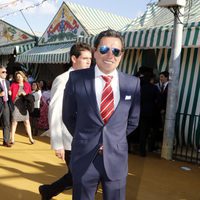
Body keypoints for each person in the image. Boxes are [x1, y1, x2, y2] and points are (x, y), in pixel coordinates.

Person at [63, 29, 140, 200]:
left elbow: (133, 121)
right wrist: (87, 138)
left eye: (116, 51)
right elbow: (68, 116)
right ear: (95, 52)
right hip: (84, 158)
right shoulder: (77, 79)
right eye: (104, 49)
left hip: (116, 159)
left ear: (121, 55)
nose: (110, 55)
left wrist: (111, 139)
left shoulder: (133, 83)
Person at [39, 42, 93, 200]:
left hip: (89, 139)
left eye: (90, 59)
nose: (89, 62)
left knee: (81, 176)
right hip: (70, 140)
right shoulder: (63, 80)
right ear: (74, 59)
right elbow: (55, 111)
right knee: (82, 177)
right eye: (85, 58)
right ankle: (48, 191)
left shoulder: (90, 79)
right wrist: (57, 144)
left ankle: (48, 191)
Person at [10, 71, 35, 144]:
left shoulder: (27, 85)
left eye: (19, 76)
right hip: (15, 104)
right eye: (17, 77)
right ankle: (12, 139)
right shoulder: (13, 84)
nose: (18, 78)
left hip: (24, 105)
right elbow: (10, 92)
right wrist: (10, 92)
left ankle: (31, 139)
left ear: (23, 77)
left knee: (27, 122)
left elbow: (29, 95)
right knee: (14, 122)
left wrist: (24, 94)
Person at [0, 65, 14, 147]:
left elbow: (8, 91)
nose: (5, 73)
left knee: (6, 123)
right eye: (3, 72)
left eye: (5, 72)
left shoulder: (7, 82)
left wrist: (9, 94)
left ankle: (6, 141)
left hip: (6, 103)